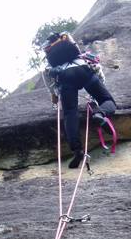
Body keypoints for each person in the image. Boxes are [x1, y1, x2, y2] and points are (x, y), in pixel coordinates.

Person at [43, 32, 117, 168]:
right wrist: (97, 92)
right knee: (108, 100)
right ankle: (100, 114)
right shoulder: (83, 55)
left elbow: (50, 83)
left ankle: (77, 151)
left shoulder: (50, 66)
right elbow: (98, 70)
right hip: (83, 70)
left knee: (70, 114)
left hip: (65, 77)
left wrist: (55, 99)